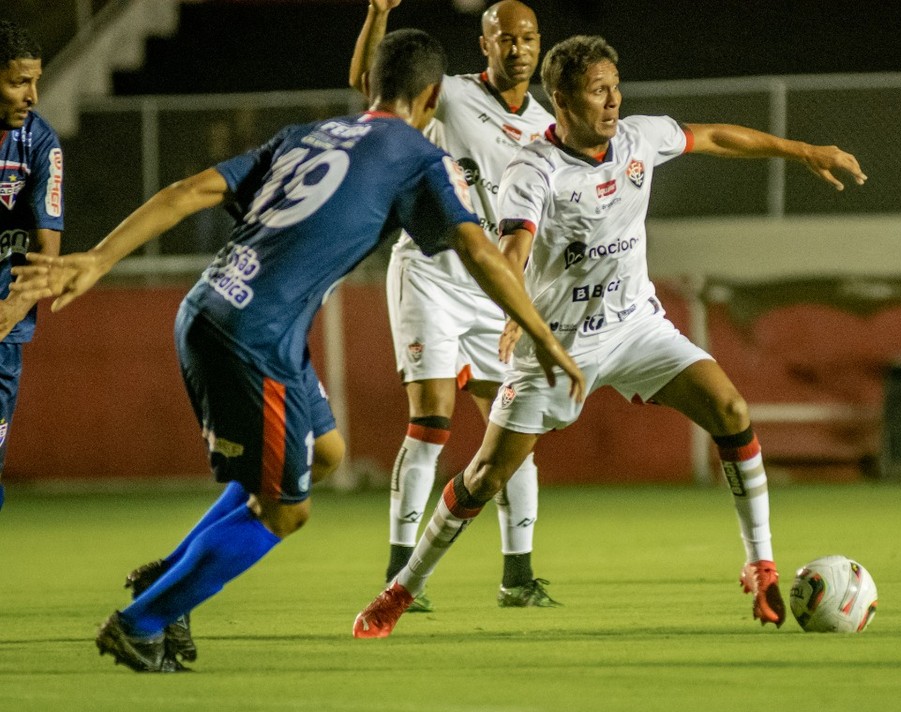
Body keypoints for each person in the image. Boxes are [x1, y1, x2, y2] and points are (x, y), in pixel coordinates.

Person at [15, 29, 583, 673]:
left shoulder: (305, 135)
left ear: (370, 86)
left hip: (214, 308)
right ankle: (142, 620)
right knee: (286, 511)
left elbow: (188, 191)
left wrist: (97, 258)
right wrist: (543, 337)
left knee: (328, 453)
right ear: (431, 98)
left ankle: (170, 575)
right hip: (251, 336)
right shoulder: (414, 156)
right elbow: (482, 250)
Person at [351, 34, 867, 638]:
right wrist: (517, 311)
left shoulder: (638, 139)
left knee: (730, 408)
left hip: (637, 326)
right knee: (485, 476)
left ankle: (760, 562)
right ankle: (400, 591)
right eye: (599, 91)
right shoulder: (534, 169)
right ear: (563, 101)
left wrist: (803, 150)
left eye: (616, 87)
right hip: (561, 344)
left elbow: (717, 136)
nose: (614, 100)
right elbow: (513, 248)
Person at [348, 0, 561, 610]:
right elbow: (373, 88)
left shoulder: (547, 127)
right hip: (431, 270)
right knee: (432, 420)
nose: (517, 48)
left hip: (492, 286)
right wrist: (378, 15)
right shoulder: (451, 95)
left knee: (514, 428)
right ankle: (399, 573)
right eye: (505, 38)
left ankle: (517, 577)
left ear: (538, 44)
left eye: (527, 38)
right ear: (484, 44)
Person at [0, 19, 62, 512]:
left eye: (35, 81)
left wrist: (11, 309)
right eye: (19, 81)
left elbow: (48, 253)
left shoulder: (41, 144)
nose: (33, 95)